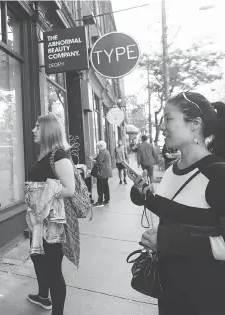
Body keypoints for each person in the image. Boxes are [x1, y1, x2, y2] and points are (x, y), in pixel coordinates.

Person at [130, 92, 225, 315]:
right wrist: (143, 197)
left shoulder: (218, 175)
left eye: (168, 119)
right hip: (168, 290)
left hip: (206, 296)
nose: (162, 126)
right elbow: (176, 211)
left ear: (195, 125)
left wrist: (166, 241)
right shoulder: (173, 170)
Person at [27, 113, 76, 315]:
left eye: (37, 126)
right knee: (37, 257)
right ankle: (43, 296)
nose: (33, 130)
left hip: (53, 223)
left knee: (54, 270)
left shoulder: (59, 155)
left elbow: (69, 189)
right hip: (39, 220)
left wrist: (42, 194)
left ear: (48, 130)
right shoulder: (43, 154)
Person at [92, 140, 112, 207]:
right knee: (105, 186)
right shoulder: (106, 151)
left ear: (101, 146)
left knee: (100, 187)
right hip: (106, 171)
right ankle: (106, 200)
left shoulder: (102, 152)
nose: (98, 148)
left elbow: (99, 162)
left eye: (98, 147)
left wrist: (92, 160)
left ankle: (100, 202)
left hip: (102, 172)